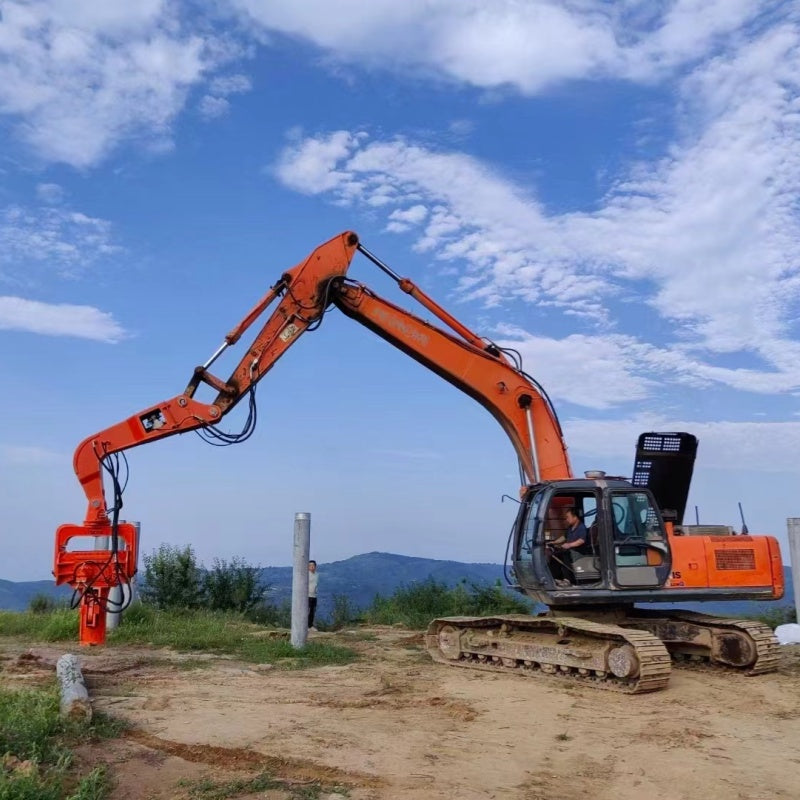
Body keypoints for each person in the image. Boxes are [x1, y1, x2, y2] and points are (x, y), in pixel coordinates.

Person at [548, 507, 589, 586]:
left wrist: (569, 545)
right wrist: (554, 542)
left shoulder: (581, 527)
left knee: (566, 555)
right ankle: (556, 577)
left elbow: (581, 541)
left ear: (575, 517)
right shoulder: (570, 528)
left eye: (568, 517)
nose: (567, 520)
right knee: (555, 555)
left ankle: (568, 580)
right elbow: (564, 537)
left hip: (579, 553)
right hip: (570, 551)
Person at [307, 560, 318, 631]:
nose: (312, 567)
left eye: (313, 565)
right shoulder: (307, 574)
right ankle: (306, 626)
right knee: (307, 611)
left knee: (312, 611)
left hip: (314, 595)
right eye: (310, 566)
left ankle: (310, 625)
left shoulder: (317, 574)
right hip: (307, 595)